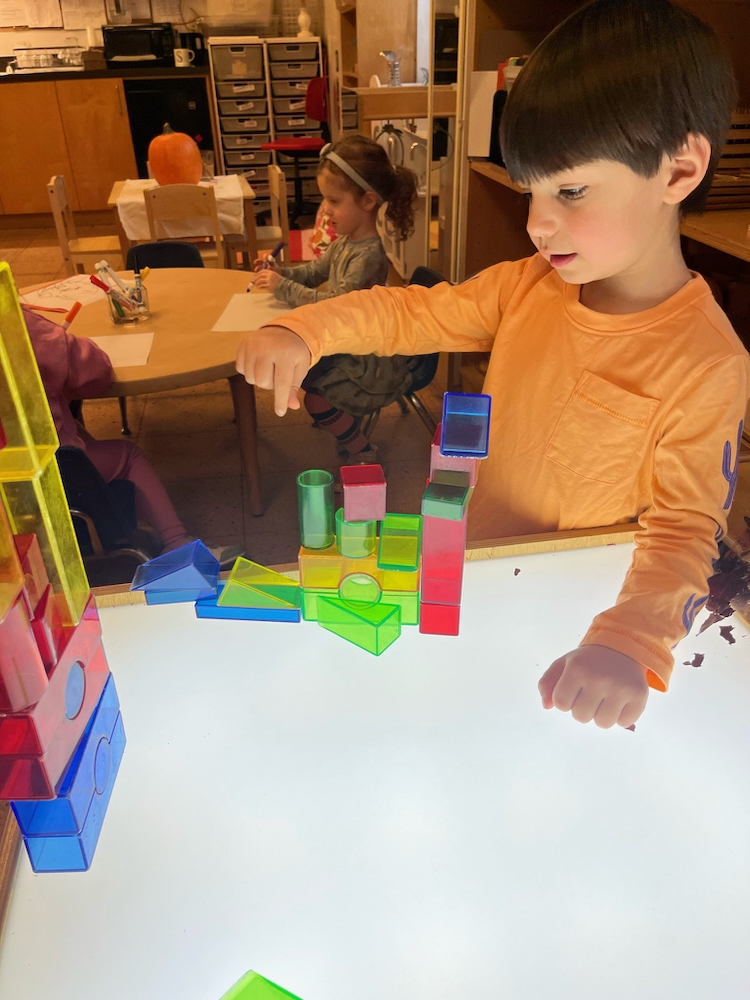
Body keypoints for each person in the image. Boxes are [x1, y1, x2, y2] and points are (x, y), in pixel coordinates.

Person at [236, 0, 750, 730]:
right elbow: (409, 313)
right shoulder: (529, 284)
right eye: (532, 189)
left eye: (570, 190)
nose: (539, 221)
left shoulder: (708, 362)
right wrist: (304, 328)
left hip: (577, 618)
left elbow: (683, 530)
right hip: (475, 567)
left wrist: (629, 641)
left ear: (679, 169)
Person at [23, 306, 242, 567]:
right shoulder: (26, 328)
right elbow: (97, 373)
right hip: (47, 468)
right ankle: (176, 544)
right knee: (127, 456)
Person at [252, 134, 418, 463]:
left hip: (368, 357)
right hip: (349, 343)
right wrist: (280, 272)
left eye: (334, 201)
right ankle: (340, 419)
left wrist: (281, 287)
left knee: (315, 398)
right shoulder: (346, 242)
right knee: (305, 375)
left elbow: (335, 306)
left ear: (368, 202)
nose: (325, 211)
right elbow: (314, 272)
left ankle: (362, 450)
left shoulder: (369, 254)